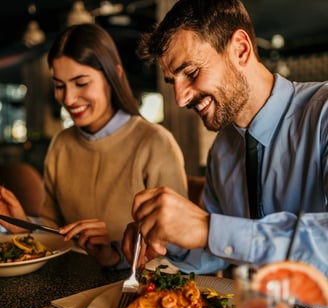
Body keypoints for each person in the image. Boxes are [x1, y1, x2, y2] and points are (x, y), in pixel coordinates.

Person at [122, 0, 328, 276]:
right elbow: (217, 252)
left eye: (192, 72)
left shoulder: (323, 114)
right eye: (174, 82)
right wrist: (166, 236)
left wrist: (209, 229)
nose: (181, 99)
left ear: (240, 49)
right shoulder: (222, 151)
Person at [0, 23, 187, 268]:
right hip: (68, 284)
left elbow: (178, 247)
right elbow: (56, 232)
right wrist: (22, 225)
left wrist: (115, 255)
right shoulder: (61, 144)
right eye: (59, 85)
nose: (68, 98)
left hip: (134, 291)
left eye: (81, 83)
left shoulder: (154, 143)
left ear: (113, 75)